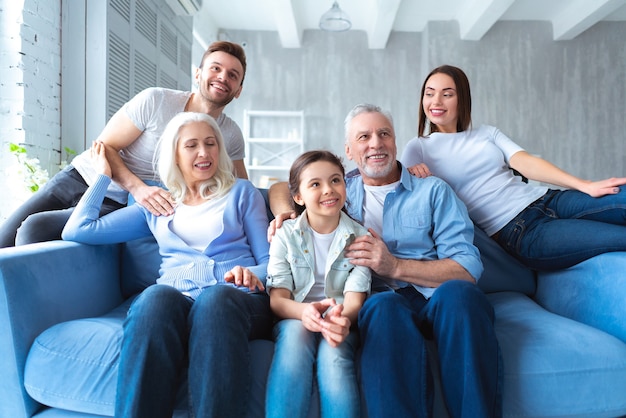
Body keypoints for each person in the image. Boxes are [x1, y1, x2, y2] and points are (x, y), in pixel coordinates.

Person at [268, 104, 501, 418]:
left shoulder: (433, 191)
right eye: (364, 137)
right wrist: (285, 212)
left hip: (437, 298)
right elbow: (286, 185)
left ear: (395, 142)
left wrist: (395, 266)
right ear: (349, 151)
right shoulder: (339, 191)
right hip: (381, 302)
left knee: (462, 295)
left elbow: (467, 269)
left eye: (384, 134)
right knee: (383, 306)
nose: (376, 143)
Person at [62, 112, 272, 417]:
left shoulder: (242, 193)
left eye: (211, 144)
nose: (204, 152)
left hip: (237, 300)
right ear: (174, 153)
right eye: (192, 145)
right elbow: (79, 230)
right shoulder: (159, 203)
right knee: (154, 299)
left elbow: (272, 264)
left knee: (215, 299)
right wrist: (103, 178)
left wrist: (249, 274)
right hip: (179, 300)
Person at [0, 40, 248, 248]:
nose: (222, 77)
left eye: (232, 75)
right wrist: (139, 189)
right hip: (79, 178)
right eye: (215, 68)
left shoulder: (230, 135)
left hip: (115, 204)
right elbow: (104, 146)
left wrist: (279, 212)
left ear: (238, 90)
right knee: (5, 238)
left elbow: (243, 190)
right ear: (198, 74)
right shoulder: (156, 100)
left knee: (34, 231)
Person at [401, 64, 626, 271]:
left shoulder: (486, 133)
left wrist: (586, 185)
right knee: (620, 237)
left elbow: (525, 162)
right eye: (429, 93)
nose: (436, 101)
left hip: (549, 199)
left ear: (462, 99)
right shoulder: (418, 148)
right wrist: (409, 175)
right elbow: (403, 198)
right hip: (521, 231)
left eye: (447, 94)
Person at [265, 150, 371, 418]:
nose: (328, 190)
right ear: (298, 197)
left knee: (333, 354)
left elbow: (355, 300)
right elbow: (278, 300)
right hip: (296, 315)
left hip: (340, 316)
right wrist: (306, 314)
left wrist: (336, 321)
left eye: (336, 180)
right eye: (315, 184)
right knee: (295, 336)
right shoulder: (285, 235)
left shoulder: (360, 237)